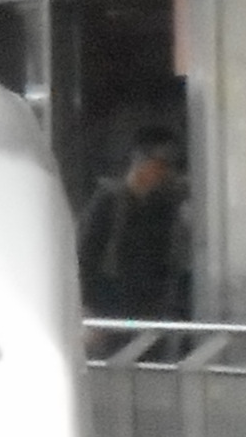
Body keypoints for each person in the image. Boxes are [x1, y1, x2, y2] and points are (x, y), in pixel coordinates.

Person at [77, 121, 186, 321]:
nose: (164, 173)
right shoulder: (108, 200)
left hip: (147, 310)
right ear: (141, 161)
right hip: (109, 307)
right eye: (159, 165)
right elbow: (86, 256)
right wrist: (87, 308)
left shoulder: (162, 206)